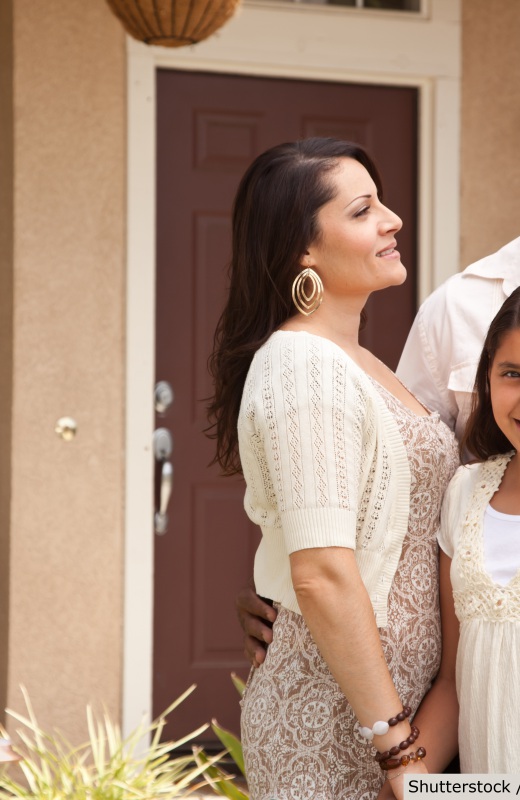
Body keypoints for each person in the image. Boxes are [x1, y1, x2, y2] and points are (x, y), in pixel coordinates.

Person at [207, 137, 459, 800]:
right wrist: (397, 746)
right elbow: (319, 572)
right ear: (302, 250)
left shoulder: (361, 363)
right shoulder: (300, 364)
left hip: (400, 714)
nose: (392, 220)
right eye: (362, 210)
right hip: (339, 720)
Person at [239, 236, 520, 669]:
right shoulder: (457, 307)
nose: (393, 222)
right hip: (465, 664)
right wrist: (278, 575)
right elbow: (404, 486)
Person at [435, 286, 520, 772]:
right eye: (513, 373)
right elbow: (452, 686)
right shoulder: (465, 494)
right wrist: (405, 785)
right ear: (487, 379)